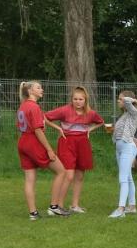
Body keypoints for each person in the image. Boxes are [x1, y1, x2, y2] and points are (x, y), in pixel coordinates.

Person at [44, 86, 104, 213]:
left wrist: (90, 130)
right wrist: (58, 128)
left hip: (83, 144)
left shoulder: (90, 113)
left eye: (80, 99)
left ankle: (74, 205)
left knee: (80, 175)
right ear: (72, 99)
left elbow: (100, 122)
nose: (78, 102)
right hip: (67, 143)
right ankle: (58, 206)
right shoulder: (65, 110)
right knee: (69, 175)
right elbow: (45, 117)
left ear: (85, 100)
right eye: (75, 99)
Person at [17, 81, 69, 220]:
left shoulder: (23, 105)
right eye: (38, 87)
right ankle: (54, 207)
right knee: (61, 171)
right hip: (33, 142)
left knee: (29, 179)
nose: (42, 89)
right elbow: (38, 130)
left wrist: (56, 128)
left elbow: (35, 122)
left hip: (23, 142)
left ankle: (33, 214)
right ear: (30, 91)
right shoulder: (34, 107)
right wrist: (49, 150)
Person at [109, 90, 137, 219]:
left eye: (120, 99)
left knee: (122, 178)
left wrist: (132, 100)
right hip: (120, 149)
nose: (118, 101)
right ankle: (132, 206)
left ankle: (121, 209)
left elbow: (128, 102)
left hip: (128, 148)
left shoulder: (134, 112)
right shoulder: (124, 115)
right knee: (128, 178)